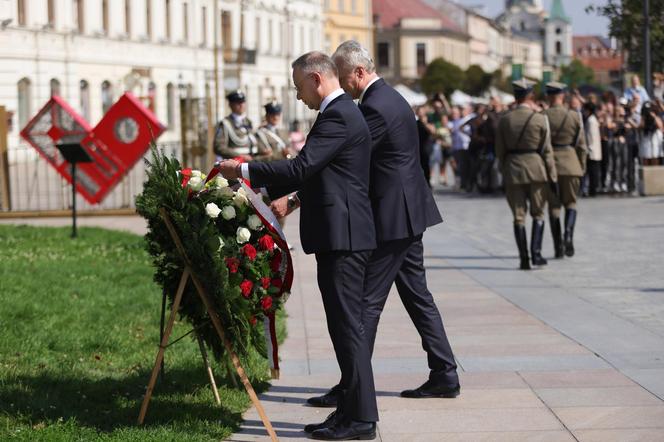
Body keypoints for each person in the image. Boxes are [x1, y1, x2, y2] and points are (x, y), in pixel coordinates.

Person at [217, 51, 378, 441]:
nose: (298, 95)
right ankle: (349, 412)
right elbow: (316, 172)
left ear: (317, 79)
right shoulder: (336, 113)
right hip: (339, 234)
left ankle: (362, 420)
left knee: (348, 328)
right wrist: (274, 192)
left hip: (345, 236)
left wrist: (243, 169)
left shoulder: (338, 114)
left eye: (298, 87)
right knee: (342, 328)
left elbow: (302, 167)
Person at [301, 39, 458, 415]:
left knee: (363, 305)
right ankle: (445, 372)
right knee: (418, 297)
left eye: (343, 76)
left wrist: (294, 198)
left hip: (392, 216)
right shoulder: (389, 98)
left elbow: (341, 159)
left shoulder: (374, 107)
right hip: (407, 212)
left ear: (358, 72)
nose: (340, 84)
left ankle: (352, 390)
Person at [495, 79, 558, 270]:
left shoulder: (505, 120)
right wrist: (552, 176)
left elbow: (499, 150)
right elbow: (546, 151)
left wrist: (504, 169)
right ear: (530, 95)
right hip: (536, 169)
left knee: (518, 216)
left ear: (515, 96)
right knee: (538, 213)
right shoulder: (539, 119)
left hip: (513, 170)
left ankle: (523, 258)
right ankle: (536, 254)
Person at [543, 82, 587, 258]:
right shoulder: (574, 116)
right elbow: (582, 146)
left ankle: (558, 248)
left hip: (550, 165)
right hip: (571, 163)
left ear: (548, 96)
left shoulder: (541, 116)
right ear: (563, 96)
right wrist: (581, 167)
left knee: (554, 207)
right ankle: (568, 235)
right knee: (571, 203)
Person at [213, 90, 258, 161]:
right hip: (236, 164)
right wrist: (239, 156)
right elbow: (219, 147)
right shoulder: (225, 123)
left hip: (252, 162)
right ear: (230, 105)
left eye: (243, 102)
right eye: (238, 102)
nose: (241, 105)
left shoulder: (249, 122)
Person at [583, 102, 602, 196]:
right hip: (595, 149)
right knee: (593, 171)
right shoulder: (593, 119)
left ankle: (592, 190)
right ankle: (592, 189)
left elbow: (590, 137)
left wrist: (588, 149)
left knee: (592, 172)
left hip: (592, 150)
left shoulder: (590, 120)